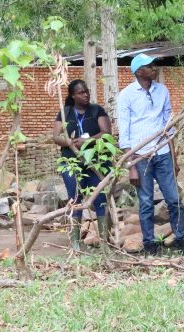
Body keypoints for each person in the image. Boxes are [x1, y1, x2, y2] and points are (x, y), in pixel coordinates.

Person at [117, 53, 184, 257]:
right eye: (150, 66)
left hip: (163, 153)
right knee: (147, 202)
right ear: (139, 72)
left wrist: (174, 158)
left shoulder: (162, 91)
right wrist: (131, 166)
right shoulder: (126, 95)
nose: (155, 68)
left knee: (174, 199)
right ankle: (149, 244)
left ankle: (182, 239)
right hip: (140, 157)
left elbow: (169, 128)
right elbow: (124, 134)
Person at [53, 79, 111, 248]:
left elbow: (106, 133)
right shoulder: (65, 113)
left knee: (100, 199)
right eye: (81, 92)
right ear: (73, 95)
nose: (85, 94)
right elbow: (56, 137)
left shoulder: (96, 110)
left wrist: (87, 141)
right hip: (71, 162)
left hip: (97, 161)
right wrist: (70, 142)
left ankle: (105, 244)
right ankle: (76, 245)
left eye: (86, 91)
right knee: (75, 199)